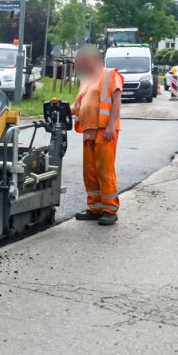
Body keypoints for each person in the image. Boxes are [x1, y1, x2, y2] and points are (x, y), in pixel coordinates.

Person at [71, 46, 124, 226]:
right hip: (88, 132)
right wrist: (62, 108)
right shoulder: (85, 80)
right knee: (90, 172)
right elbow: (79, 106)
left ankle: (109, 209)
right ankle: (95, 208)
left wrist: (111, 125)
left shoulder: (109, 75)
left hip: (104, 131)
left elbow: (117, 101)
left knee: (105, 171)